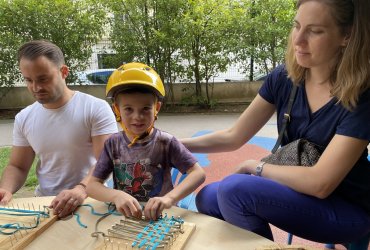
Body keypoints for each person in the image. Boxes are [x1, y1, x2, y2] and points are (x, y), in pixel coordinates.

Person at [182, 0, 370, 243]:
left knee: (234, 190)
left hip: (346, 207)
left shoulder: (362, 95)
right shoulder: (284, 78)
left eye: (315, 31)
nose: (298, 40)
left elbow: (321, 183)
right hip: (298, 190)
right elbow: (233, 136)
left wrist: (255, 167)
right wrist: (169, 142)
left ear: (346, 36)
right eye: (297, 26)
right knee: (208, 197)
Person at [0, 40, 118, 218]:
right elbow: (18, 166)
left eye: (43, 79)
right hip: (46, 204)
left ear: (64, 72)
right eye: (28, 80)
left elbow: (106, 160)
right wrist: (5, 190)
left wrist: (81, 188)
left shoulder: (95, 108)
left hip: (91, 201)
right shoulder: (24, 118)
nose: (36, 87)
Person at [86, 62, 205, 220]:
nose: (137, 117)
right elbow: (92, 185)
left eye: (145, 109)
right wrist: (115, 196)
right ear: (116, 110)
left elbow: (198, 173)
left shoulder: (166, 142)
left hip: (161, 216)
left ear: (157, 108)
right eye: (128, 109)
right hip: (124, 216)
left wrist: (169, 198)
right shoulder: (112, 144)